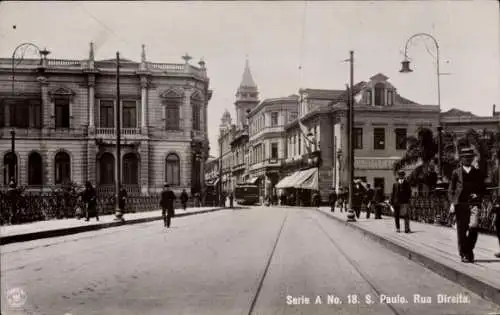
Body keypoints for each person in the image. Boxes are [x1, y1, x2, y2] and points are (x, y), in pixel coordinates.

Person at [448, 148, 485, 263]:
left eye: (470, 157)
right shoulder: (456, 172)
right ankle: (464, 254)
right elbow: (451, 190)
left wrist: (477, 195)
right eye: (465, 157)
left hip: (474, 204)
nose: (468, 159)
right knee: (462, 230)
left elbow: (483, 189)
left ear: (473, 158)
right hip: (461, 204)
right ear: (461, 159)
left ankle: (468, 249)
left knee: (474, 227)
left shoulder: (477, 173)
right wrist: (453, 203)